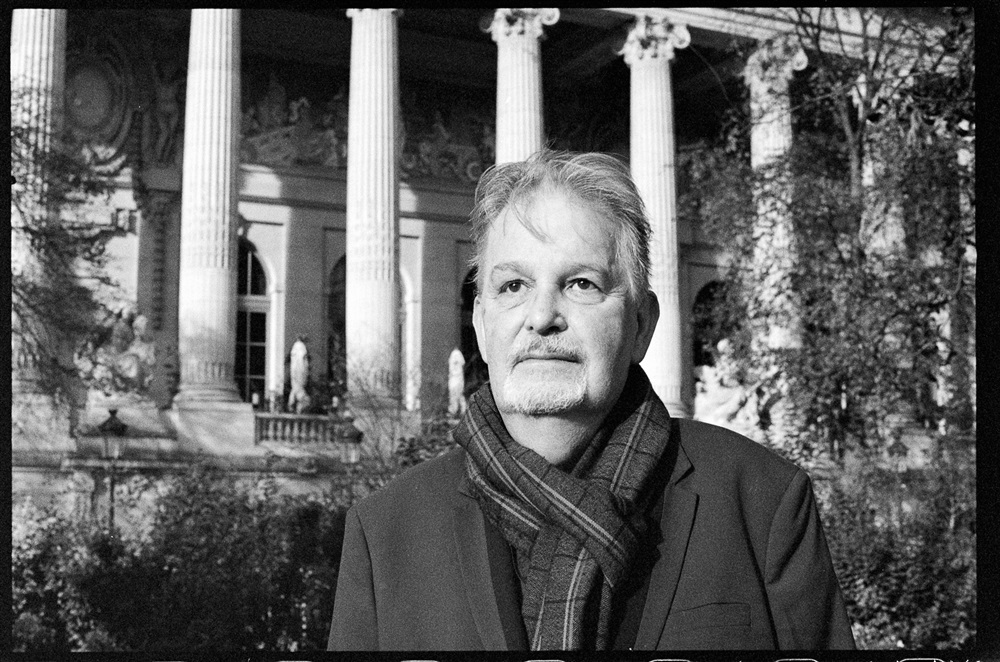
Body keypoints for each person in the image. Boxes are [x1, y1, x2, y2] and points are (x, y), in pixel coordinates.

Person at [328, 149, 855, 651]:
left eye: (581, 284)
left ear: (641, 325)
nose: (541, 317)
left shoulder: (762, 501)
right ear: (482, 327)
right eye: (513, 286)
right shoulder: (385, 532)